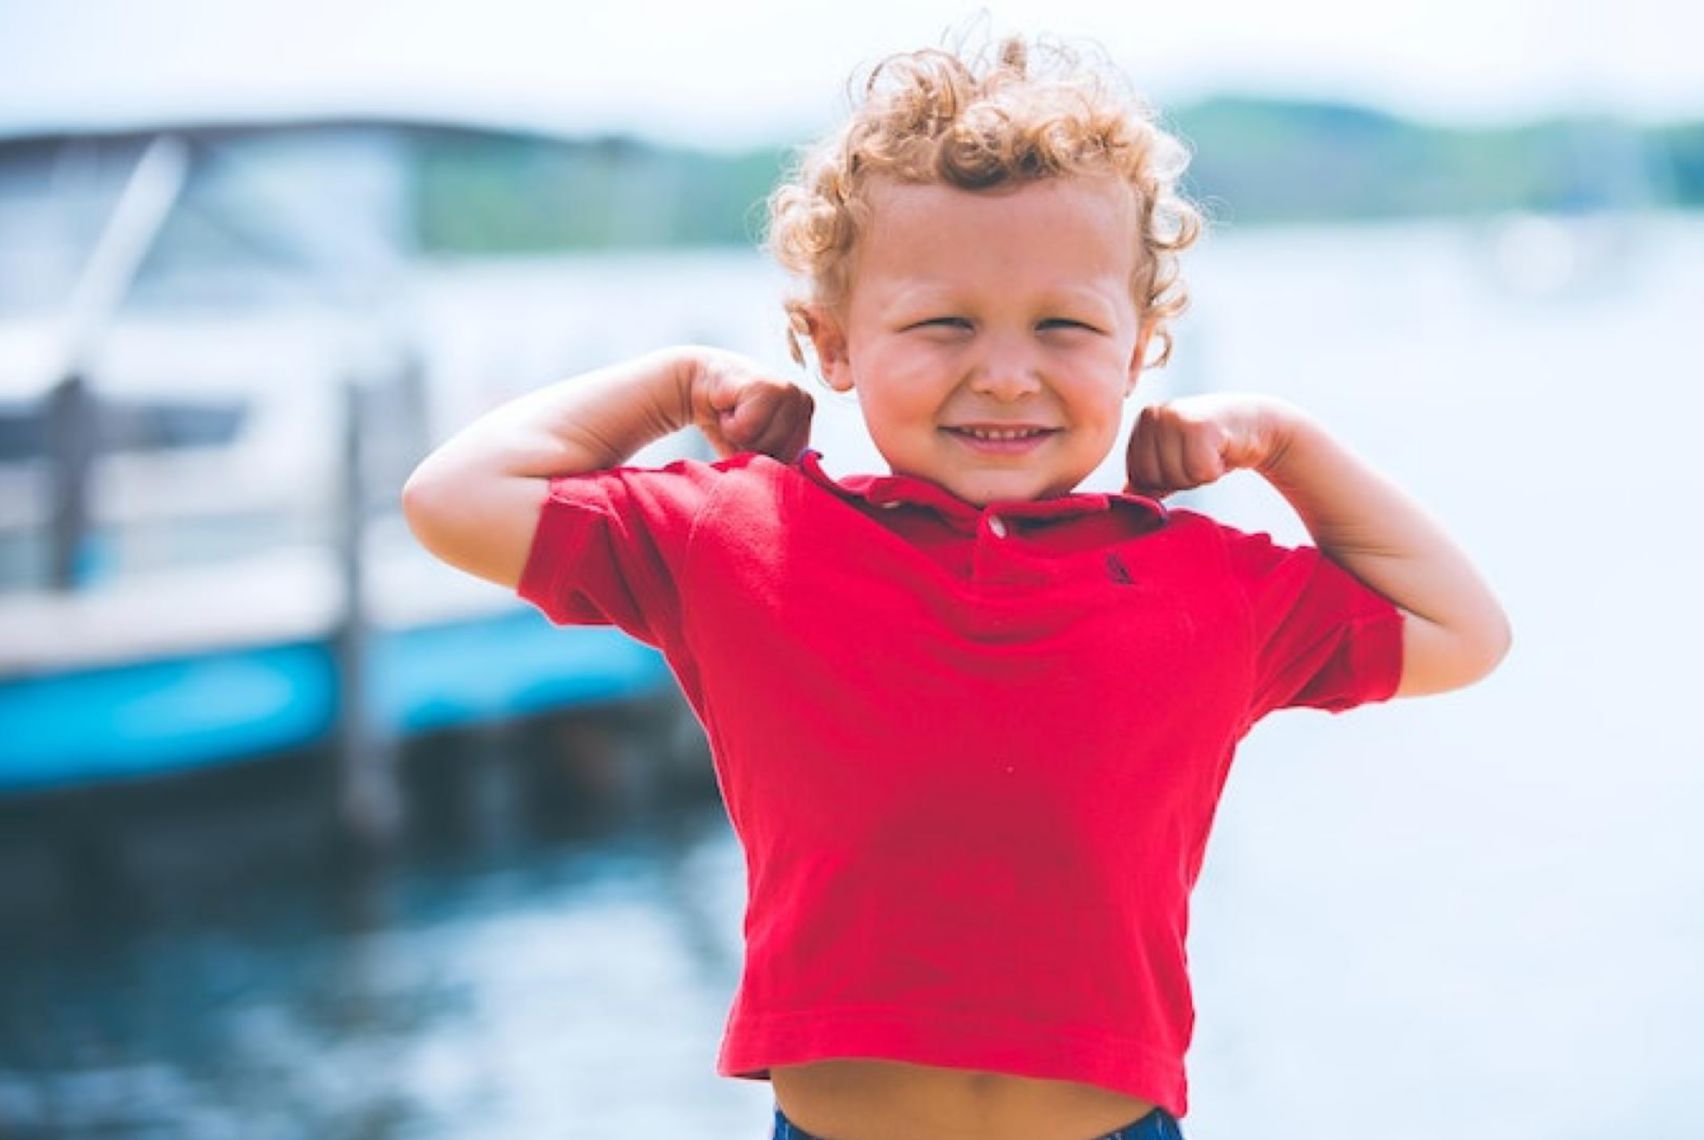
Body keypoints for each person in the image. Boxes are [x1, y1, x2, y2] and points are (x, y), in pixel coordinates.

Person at [401, 32, 1510, 1140]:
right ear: (832, 344)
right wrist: (672, 381)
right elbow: (454, 497)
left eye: (1064, 326)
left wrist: (1286, 442)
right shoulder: (743, 535)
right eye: (944, 323)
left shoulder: (1204, 582)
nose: (1005, 371)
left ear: (1139, 352)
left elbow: (1464, 631)